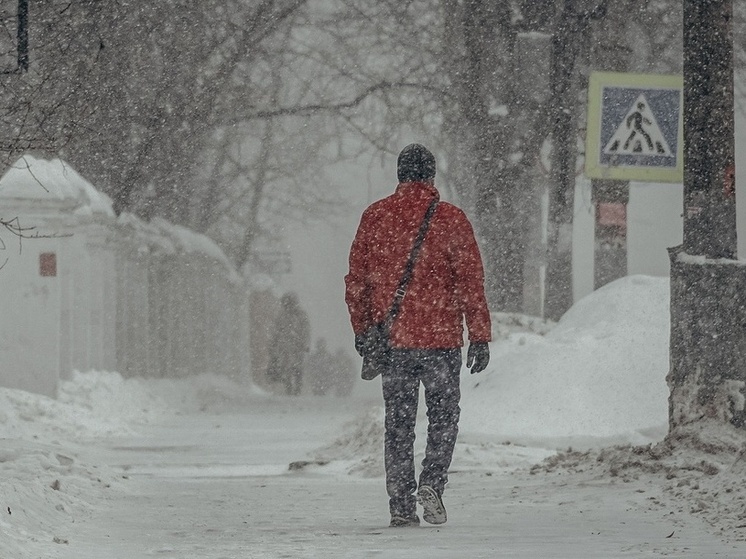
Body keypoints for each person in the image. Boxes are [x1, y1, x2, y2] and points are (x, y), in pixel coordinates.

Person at [344, 143, 492, 528]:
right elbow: (470, 282)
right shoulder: (451, 219)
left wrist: (363, 330)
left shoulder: (375, 217)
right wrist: (479, 335)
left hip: (394, 344)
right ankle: (432, 483)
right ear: (431, 176)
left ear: (399, 175)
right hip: (441, 342)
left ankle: (400, 505)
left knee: (398, 424)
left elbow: (356, 282)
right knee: (443, 418)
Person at [266, 292, 311, 396]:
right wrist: (273, 343)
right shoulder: (282, 315)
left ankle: (297, 386)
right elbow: (276, 330)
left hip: (297, 346)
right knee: (285, 366)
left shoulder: (301, 315)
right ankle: (288, 385)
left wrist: (305, 344)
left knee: (298, 367)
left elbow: (306, 330)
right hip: (284, 346)